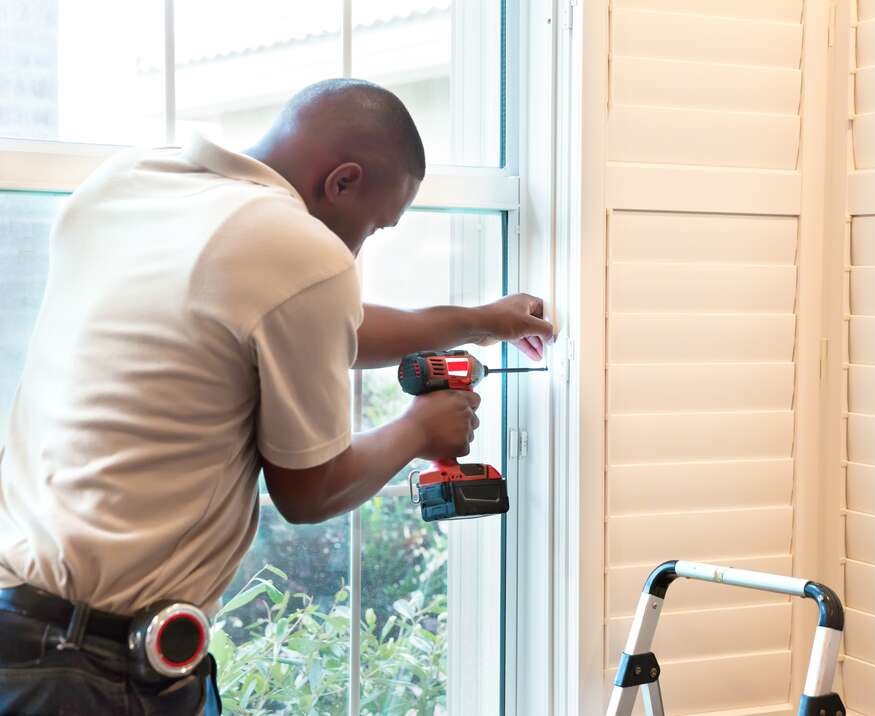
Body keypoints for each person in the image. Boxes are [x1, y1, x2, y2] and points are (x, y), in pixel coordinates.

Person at [0, 78, 553, 715]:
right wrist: (420, 429)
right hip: (91, 676)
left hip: (27, 630)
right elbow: (309, 491)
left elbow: (298, 318)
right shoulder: (299, 250)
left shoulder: (130, 182)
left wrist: (480, 321)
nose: (358, 248)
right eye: (372, 227)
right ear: (341, 181)